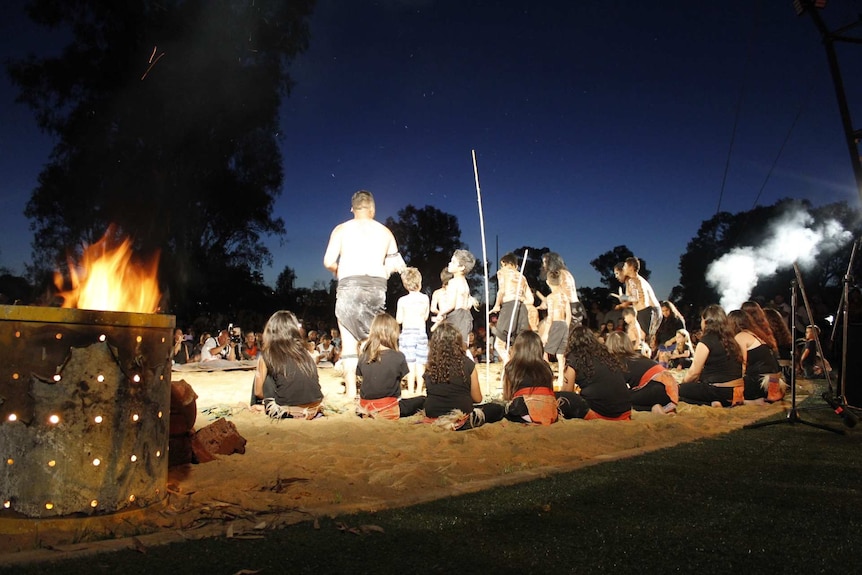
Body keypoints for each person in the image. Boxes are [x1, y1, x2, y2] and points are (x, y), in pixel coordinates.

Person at [323, 190, 406, 399]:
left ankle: (351, 391)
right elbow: (397, 262)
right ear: (373, 209)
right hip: (376, 287)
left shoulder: (341, 230)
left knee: (349, 340)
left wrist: (337, 270)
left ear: (352, 208)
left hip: (349, 285)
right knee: (373, 338)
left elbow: (328, 261)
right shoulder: (385, 232)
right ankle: (375, 385)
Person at [423, 323, 505, 430]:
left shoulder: (430, 367)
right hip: (462, 417)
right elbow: (478, 398)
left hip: (433, 414)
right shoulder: (467, 364)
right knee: (496, 408)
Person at [502, 331, 587, 424]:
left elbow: (507, 396)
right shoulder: (545, 367)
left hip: (523, 410)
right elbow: (550, 391)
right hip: (549, 411)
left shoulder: (511, 367)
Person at [252, 310, 324, 419]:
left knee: (263, 375)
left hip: (287, 411)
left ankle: (255, 405)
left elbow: (258, 392)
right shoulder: (305, 353)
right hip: (315, 406)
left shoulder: (268, 354)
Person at [356, 313, 425, 419]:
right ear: (393, 333)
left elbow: (362, 378)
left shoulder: (364, 356)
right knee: (422, 400)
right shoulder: (398, 356)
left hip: (365, 408)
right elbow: (402, 377)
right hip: (388, 408)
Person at [678, 305, 745, 407]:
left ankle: (711, 402)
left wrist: (682, 384)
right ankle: (718, 402)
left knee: (678, 391)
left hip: (717, 390)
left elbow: (694, 373)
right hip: (736, 390)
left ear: (706, 321)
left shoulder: (706, 341)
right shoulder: (732, 339)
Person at [561, 324, 631, 420]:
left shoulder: (574, 357)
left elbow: (567, 392)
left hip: (602, 413)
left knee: (560, 398)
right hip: (625, 411)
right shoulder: (605, 354)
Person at [605, 331, 678, 414]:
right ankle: (660, 408)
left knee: (619, 399)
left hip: (653, 388)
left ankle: (654, 408)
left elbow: (615, 389)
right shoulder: (637, 357)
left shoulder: (618, 362)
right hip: (670, 390)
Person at [728, 310, 785, 403]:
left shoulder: (741, 336)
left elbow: (742, 363)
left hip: (759, 383)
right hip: (772, 382)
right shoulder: (756, 334)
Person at [490, 252, 534, 365]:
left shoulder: (502, 272)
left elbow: (502, 290)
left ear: (503, 263)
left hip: (509, 306)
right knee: (519, 343)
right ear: (516, 265)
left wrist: (497, 305)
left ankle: (508, 364)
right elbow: (531, 300)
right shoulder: (522, 277)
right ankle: (520, 366)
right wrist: (520, 299)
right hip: (522, 309)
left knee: (499, 344)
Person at [396, 267, 430, 396]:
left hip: (407, 333)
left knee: (410, 363)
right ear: (419, 282)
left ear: (405, 284)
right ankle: (419, 389)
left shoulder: (402, 301)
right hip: (421, 332)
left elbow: (399, 319)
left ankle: (410, 389)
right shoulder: (425, 298)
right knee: (420, 362)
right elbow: (426, 316)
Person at [432, 249, 477, 342]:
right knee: (462, 345)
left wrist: (440, 313)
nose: (449, 263)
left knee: (453, 346)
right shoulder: (465, 282)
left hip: (456, 317)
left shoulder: (453, 282)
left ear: (461, 267)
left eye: (453, 262)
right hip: (466, 317)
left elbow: (451, 304)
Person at [538, 271, 571, 390]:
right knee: (560, 354)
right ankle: (561, 378)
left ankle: (546, 376)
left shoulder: (551, 297)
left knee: (544, 351)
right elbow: (569, 314)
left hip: (556, 324)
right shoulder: (565, 296)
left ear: (548, 282)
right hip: (564, 324)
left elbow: (550, 316)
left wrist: (546, 333)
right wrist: (566, 327)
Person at [538, 252, 586, 326]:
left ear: (551, 263)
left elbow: (559, 293)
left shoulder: (559, 274)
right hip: (576, 306)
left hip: (568, 307)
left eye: (545, 262)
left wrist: (546, 301)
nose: (543, 265)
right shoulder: (566, 272)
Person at [620, 257, 662, 344]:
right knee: (645, 340)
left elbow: (635, 298)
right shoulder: (639, 279)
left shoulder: (633, 280)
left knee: (640, 340)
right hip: (654, 310)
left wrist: (624, 297)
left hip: (647, 311)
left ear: (631, 268)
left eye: (625, 266)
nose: (623, 268)